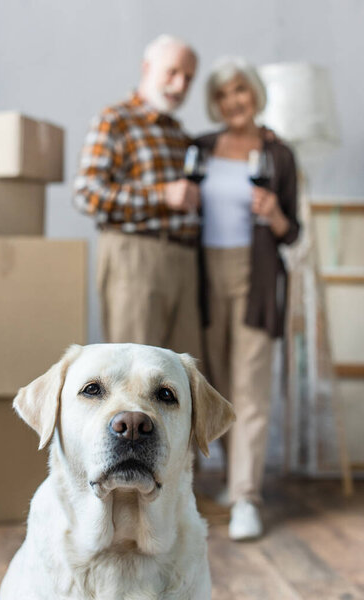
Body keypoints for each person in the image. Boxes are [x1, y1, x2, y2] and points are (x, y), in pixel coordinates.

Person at [196, 57, 300, 541]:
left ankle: (245, 499)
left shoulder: (279, 155)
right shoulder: (201, 147)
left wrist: (275, 213)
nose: (233, 101)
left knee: (251, 388)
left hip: (255, 276)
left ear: (254, 92)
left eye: (239, 90)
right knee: (214, 386)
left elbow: (291, 231)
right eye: (222, 95)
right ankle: (228, 482)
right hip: (203, 276)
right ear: (214, 103)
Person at [74, 35, 201, 358]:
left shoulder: (181, 135)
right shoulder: (115, 120)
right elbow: (87, 194)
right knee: (135, 370)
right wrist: (162, 195)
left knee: (183, 379)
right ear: (147, 68)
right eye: (172, 72)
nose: (179, 84)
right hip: (135, 258)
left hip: (185, 262)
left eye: (188, 77)